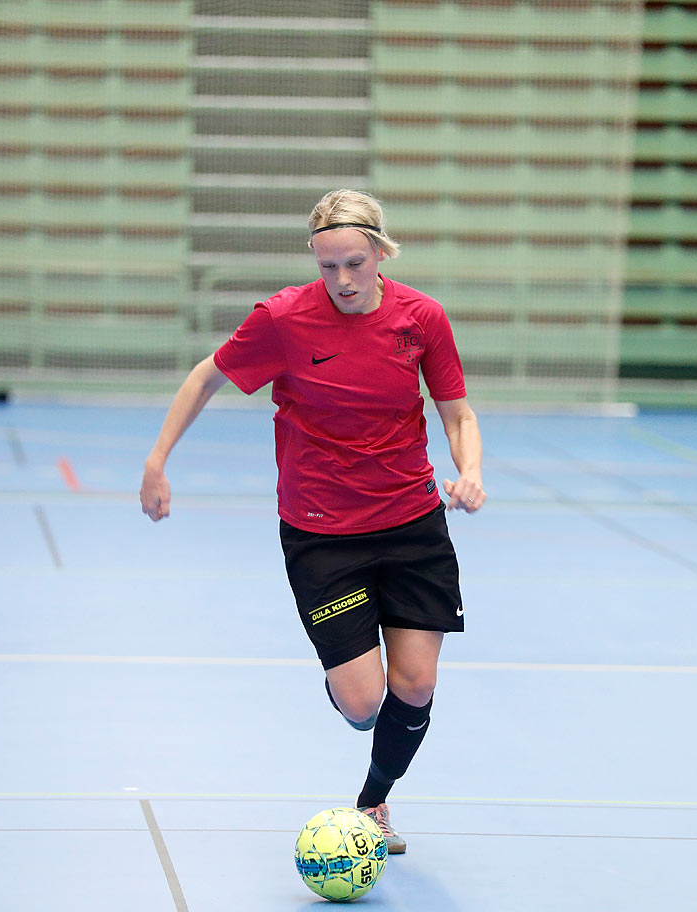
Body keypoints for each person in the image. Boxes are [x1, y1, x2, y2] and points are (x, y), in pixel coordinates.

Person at [140, 189, 485, 853]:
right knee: (362, 703)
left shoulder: (423, 319)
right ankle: (346, 678)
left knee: (415, 684)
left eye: (355, 263)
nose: (343, 281)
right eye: (328, 267)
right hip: (322, 533)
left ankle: (372, 804)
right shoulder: (282, 319)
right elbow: (206, 377)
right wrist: (158, 461)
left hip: (412, 524)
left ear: (382, 252)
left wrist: (469, 471)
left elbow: (457, 412)